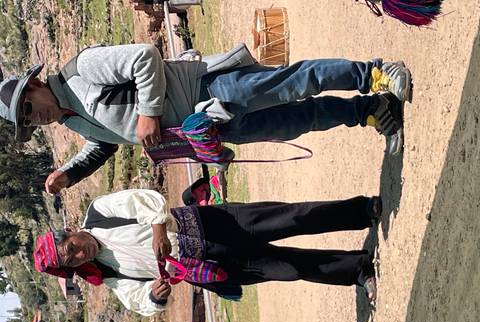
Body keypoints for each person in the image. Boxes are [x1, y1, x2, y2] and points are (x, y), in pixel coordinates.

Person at [0, 44, 412, 194]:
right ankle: (372, 111)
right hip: (205, 128)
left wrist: (148, 113)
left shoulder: (82, 69)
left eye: (29, 109)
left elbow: (144, 57)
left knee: (293, 83)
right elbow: (106, 142)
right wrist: (70, 175)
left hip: (208, 88)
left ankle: (374, 72)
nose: (37, 119)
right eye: (29, 122)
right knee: (295, 120)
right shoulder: (71, 120)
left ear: (34, 83)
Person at [33, 189, 381, 316]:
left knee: (291, 217)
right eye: (73, 262)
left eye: (71, 248)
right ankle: (356, 269)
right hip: (208, 268)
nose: (79, 255)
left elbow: (145, 200)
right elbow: (136, 300)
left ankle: (361, 211)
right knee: (287, 268)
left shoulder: (100, 212)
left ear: (70, 232)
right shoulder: (109, 275)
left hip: (211, 225)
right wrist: (154, 295)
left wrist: (158, 229)